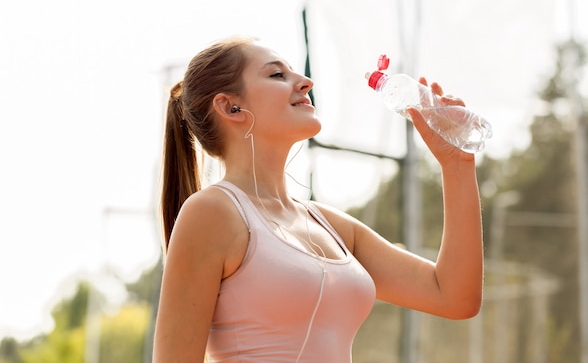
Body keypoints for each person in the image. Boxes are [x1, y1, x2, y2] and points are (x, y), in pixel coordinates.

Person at [153, 35, 484, 363]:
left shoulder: (328, 225)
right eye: (277, 74)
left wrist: (456, 165)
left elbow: (453, 296)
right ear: (230, 106)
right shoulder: (211, 213)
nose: (306, 82)